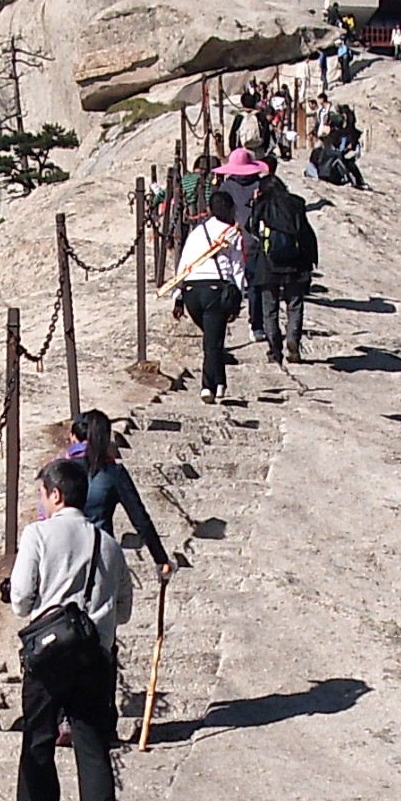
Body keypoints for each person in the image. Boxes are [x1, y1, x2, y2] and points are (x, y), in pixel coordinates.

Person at [9, 456, 130, 801]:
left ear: (56, 495)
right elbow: (125, 609)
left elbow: (22, 598)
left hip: (48, 653)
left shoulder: (38, 534)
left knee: (39, 737)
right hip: (95, 654)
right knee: (92, 744)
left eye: (43, 494)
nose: (41, 502)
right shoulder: (109, 544)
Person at [69, 408, 172, 575]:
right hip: (100, 555)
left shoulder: (56, 471)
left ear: (74, 437)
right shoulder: (114, 473)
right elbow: (140, 519)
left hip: (62, 555)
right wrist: (161, 558)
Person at [170, 191, 249, 403]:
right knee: (212, 343)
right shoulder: (232, 234)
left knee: (213, 338)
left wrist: (178, 297)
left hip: (191, 292)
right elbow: (237, 268)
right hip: (215, 290)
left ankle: (220, 381)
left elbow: (184, 263)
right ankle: (208, 386)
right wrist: (238, 298)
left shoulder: (197, 232)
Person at [249, 168, 319, 365]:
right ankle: (292, 340)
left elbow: (251, 228)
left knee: (269, 308)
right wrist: (312, 260)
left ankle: (274, 349)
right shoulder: (297, 203)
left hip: (269, 263)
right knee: (294, 305)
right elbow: (306, 232)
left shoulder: (262, 205)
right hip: (297, 262)